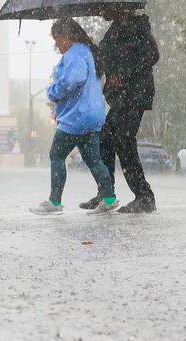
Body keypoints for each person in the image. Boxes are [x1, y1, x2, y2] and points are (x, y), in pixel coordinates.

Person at [30, 19, 119, 216]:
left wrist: (53, 91)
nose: (56, 44)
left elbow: (73, 80)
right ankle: (109, 199)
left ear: (67, 37)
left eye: (57, 39)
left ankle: (54, 201)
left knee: (56, 155)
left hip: (76, 117)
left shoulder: (75, 54)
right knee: (94, 159)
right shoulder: (87, 52)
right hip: (92, 116)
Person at [79, 7, 160, 214]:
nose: (100, 11)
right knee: (106, 138)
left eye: (104, 6)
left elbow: (152, 55)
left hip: (135, 94)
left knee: (123, 140)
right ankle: (106, 194)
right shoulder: (115, 29)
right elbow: (108, 60)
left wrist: (123, 74)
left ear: (117, 6)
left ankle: (144, 196)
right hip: (121, 96)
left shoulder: (137, 26)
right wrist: (92, 48)